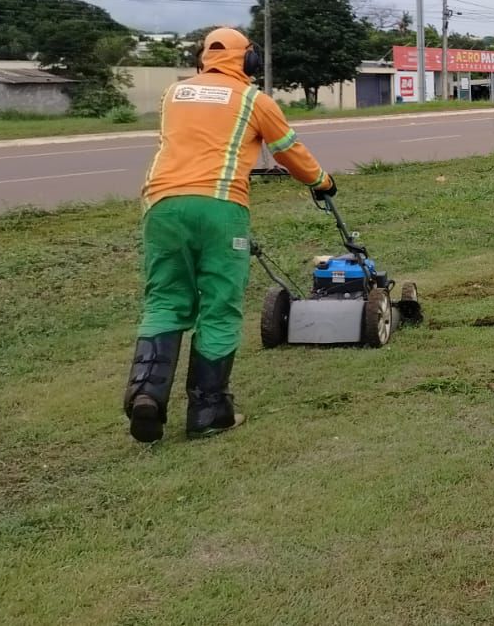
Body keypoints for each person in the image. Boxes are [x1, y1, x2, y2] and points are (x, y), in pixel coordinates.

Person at [123, 27, 335, 442]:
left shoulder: (172, 95)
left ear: (201, 59)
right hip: (220, 207)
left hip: (162, 206)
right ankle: (208, 410)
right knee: (219, 305)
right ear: (250, 61)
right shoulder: (254, 100)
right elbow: (290, 151)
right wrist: (322, 181)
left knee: (166, 298)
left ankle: (147, 392)